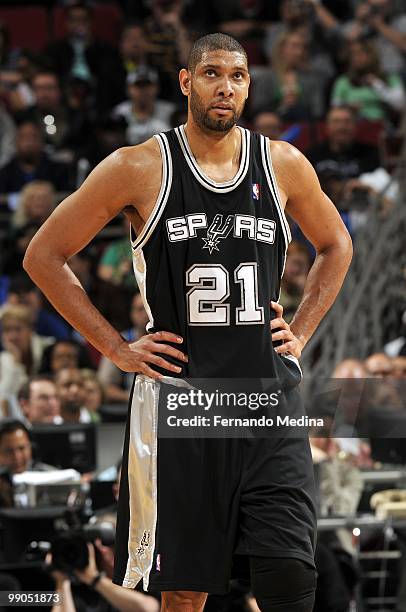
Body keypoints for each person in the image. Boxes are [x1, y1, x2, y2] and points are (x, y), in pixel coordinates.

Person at [24, 33, 352, 611]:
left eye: (238, 76)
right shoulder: (138, 167)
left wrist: (299, 333)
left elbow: (336, 245)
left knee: (290, 577)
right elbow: (43, 255)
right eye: (211, 74)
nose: (225, 87)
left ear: (249, 85)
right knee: (183, 594)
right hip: (184, 406)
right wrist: (116, 350)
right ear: (185, 81)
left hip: (267, 399)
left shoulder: (281, 164)